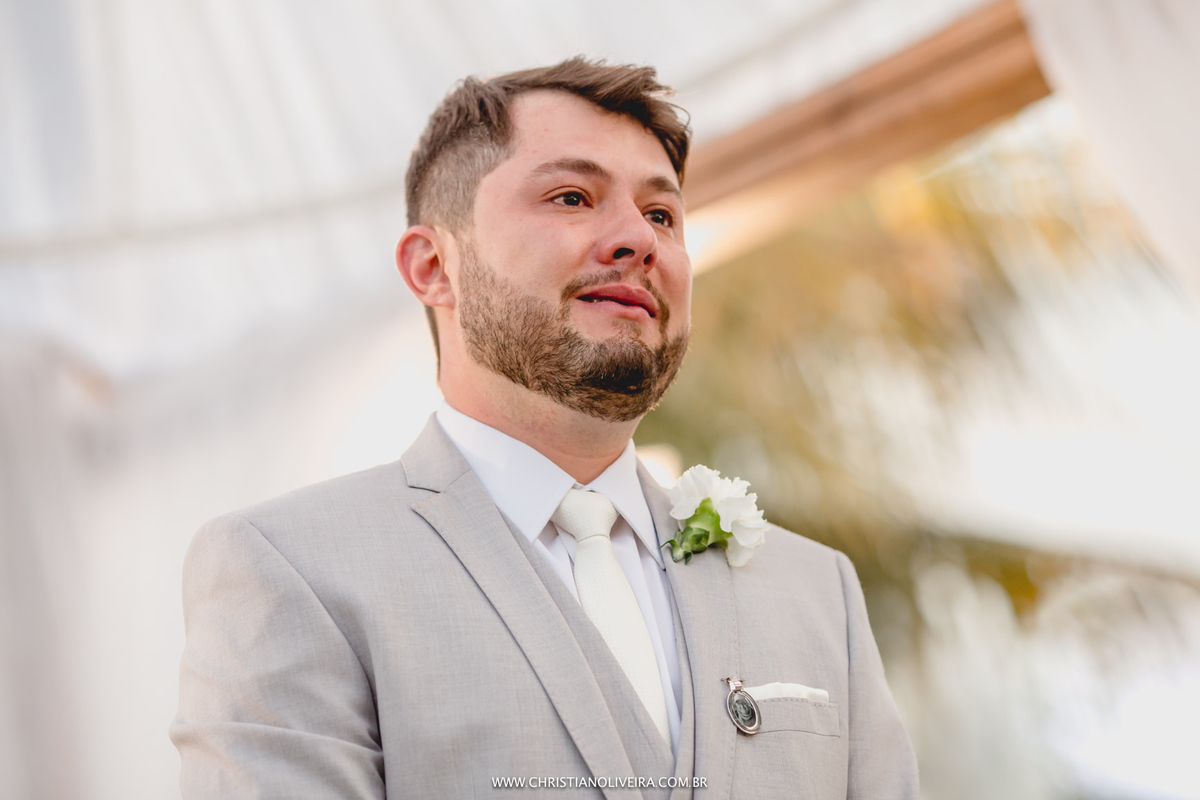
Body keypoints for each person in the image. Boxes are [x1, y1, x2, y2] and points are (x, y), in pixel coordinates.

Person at [171, 57, 917, 799]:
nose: (639, 238)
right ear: (433, 266)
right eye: (571, 197)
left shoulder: (818, 592)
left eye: (661, 214)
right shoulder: (292, 573)